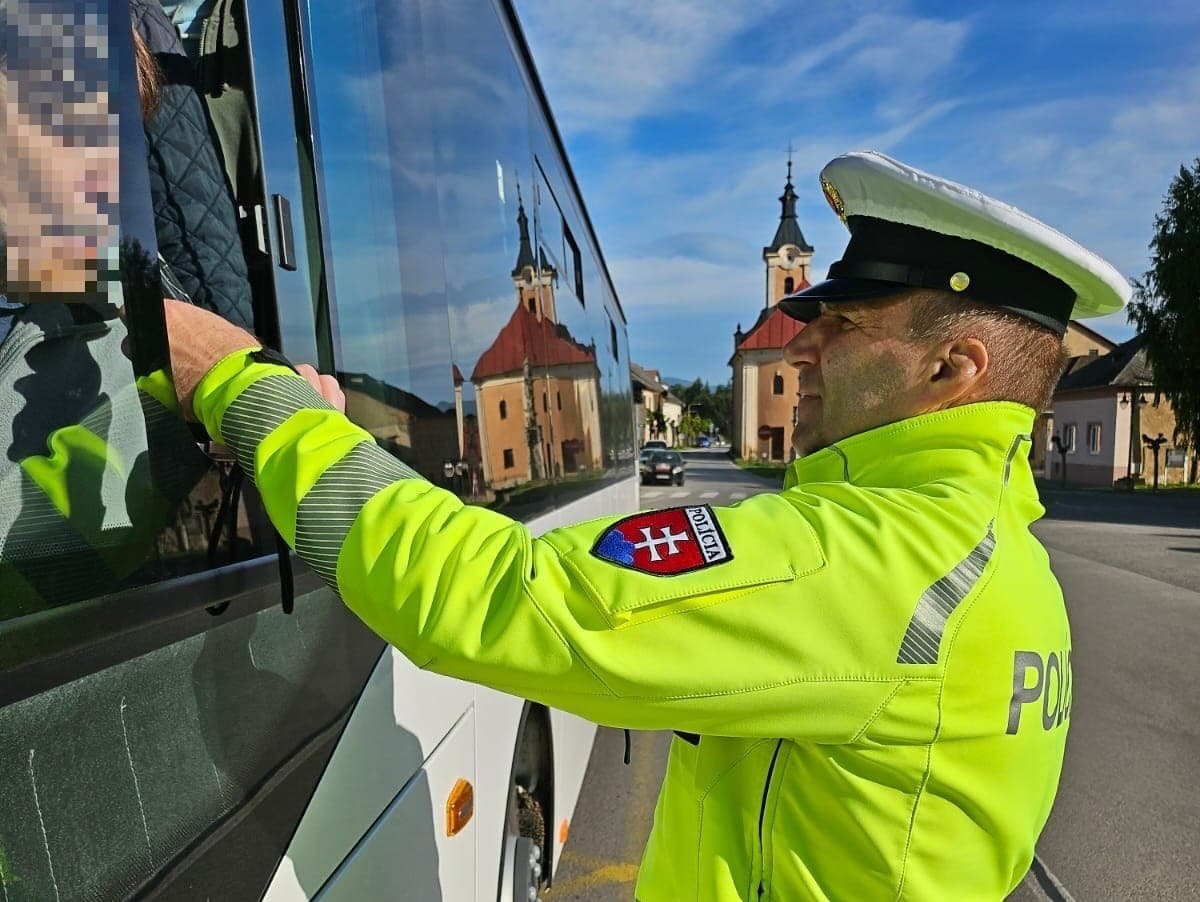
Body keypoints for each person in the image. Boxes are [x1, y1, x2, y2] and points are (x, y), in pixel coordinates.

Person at [159, 151, 1129, 900]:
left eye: (850, 320)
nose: (808, 340)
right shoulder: (1005, 561)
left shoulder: (866, 556)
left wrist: (252, 394)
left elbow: (486, 594)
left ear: (951, 368)